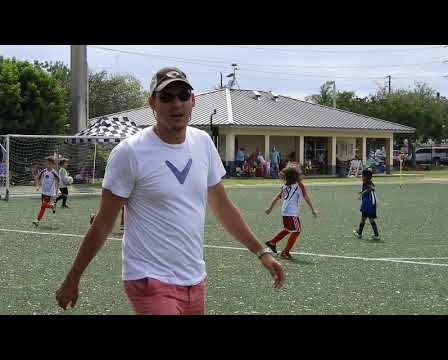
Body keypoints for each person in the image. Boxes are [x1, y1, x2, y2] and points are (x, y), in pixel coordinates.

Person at [56, 66, 284, 315]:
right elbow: (102, 223)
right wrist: (73, 277)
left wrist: (260, 251)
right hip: (148, 278)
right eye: (167, 97)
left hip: (194, 279)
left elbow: (223, 207)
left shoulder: (203, 143)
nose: (177, 104)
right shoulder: (129, 153)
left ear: (193, 100)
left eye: (183, 95)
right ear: (152, 102)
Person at [264, 163, 317, 260]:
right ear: (295, 175)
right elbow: (306, 197)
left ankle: (272, 242)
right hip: (292, 213)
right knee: (297, 231)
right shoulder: (299, 185)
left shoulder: (284, 185)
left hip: (285, 212)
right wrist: (313, 209)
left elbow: (277, 197)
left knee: (288, 229)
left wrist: (270, 208)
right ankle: (285, 252)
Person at [353, 169, 380, 240]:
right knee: (366, 219)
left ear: (365, 177)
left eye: (362, 176)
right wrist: (361, 192)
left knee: (365, 219)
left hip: (368, 204)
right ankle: (374, 235)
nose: (361, 177)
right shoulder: (368, 182)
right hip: (372, 203)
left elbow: (370, 188)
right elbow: (370, 188)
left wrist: (361, 194)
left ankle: (360, 234)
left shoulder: (368, 183)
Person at [33, 156, 59, 227]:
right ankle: (52, 206)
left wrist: (56, 191)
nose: (48, 164)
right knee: (43, 207)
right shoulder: (44, 171)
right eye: (47, 163)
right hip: (43, 192)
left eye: (49, 163)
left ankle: (37, 220)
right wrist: (38, 186)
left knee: (43, 205)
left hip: (50, 193)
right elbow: (37, 177)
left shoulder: (54, 172)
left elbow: (58, 180)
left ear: (53, 164)